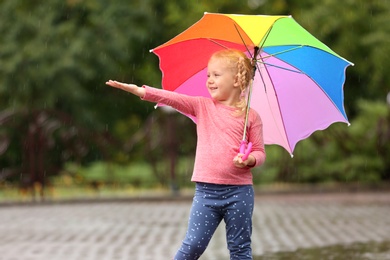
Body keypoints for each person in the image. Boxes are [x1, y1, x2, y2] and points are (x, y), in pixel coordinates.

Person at [106, 49, 266, 260]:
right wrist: (141, 91)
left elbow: (259, 152)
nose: (209, 80)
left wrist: (250, 159)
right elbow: (172, 98)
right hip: (206, 194)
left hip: (240, 194)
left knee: (240, 249)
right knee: (193, 246)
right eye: (208, 75)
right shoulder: (202, 106)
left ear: (236, 80)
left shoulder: (251, 117)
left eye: (216, 75)